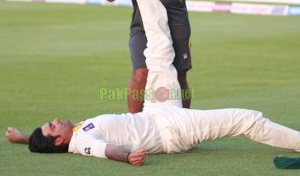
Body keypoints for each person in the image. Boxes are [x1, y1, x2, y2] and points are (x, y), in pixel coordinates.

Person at [5, 105, 300, 166]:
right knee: (247, 119)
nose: (55, 120)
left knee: (158, 46)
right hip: (174, 129)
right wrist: (126, 157)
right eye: (52, 127)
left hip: (158, 110)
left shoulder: (73, 134)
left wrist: (22, 138)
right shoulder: (81, 142)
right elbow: (104, 150)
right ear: (59, 141)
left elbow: (45, 143)